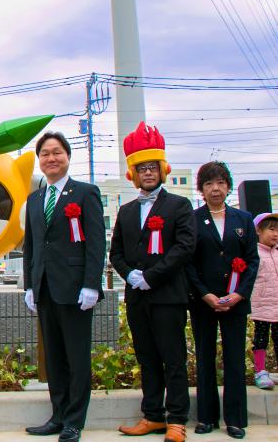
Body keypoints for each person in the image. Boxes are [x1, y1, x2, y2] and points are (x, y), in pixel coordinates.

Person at [109, 122, 196, 442]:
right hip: (137, 298)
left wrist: (151, 276)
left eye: (152, 167)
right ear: (133, 172)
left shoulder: (179, 205)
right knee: (146, 358)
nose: (147, 173)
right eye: (141, 168)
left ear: (163, 169)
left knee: (172, 357)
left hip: (168, 296)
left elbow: (185, 247)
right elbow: (115, 251)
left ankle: (177, 419)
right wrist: (129, 274)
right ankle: (152, 416)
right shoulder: (127, 210)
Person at [23, 131, 106, 442]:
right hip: (45, 289)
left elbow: (96, 243)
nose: (51, 159)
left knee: (76, 356)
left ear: (68, 157)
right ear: (39, 161)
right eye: (45, 154)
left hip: (75, 290)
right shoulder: (34, 199)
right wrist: (29, 286)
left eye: (57, 152)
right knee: (54, 358)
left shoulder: (85, 193)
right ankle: (57, 416)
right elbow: (31, 246)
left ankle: (74, 421)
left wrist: (91, 285)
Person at [186, 161, 258, 440]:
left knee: (235, 358)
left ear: (228, 186)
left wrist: (239, 294)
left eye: (220, 183)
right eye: (208, 184)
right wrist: (205, 294)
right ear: (201, 189)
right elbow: (189, 263)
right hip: (204, 300)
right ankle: (206, 417)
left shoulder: (244, 219)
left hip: (235, 301)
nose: (215, 189)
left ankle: (236, 419)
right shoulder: (193, 219)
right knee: (204, 357)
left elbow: (252, 261)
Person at [251, 212, 278, 390]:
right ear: (258, 231)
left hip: (277, 306)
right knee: (261, 339)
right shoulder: (254, 253)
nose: (275, 234)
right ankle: (260, 371)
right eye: (271, 229)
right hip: (261, 306)